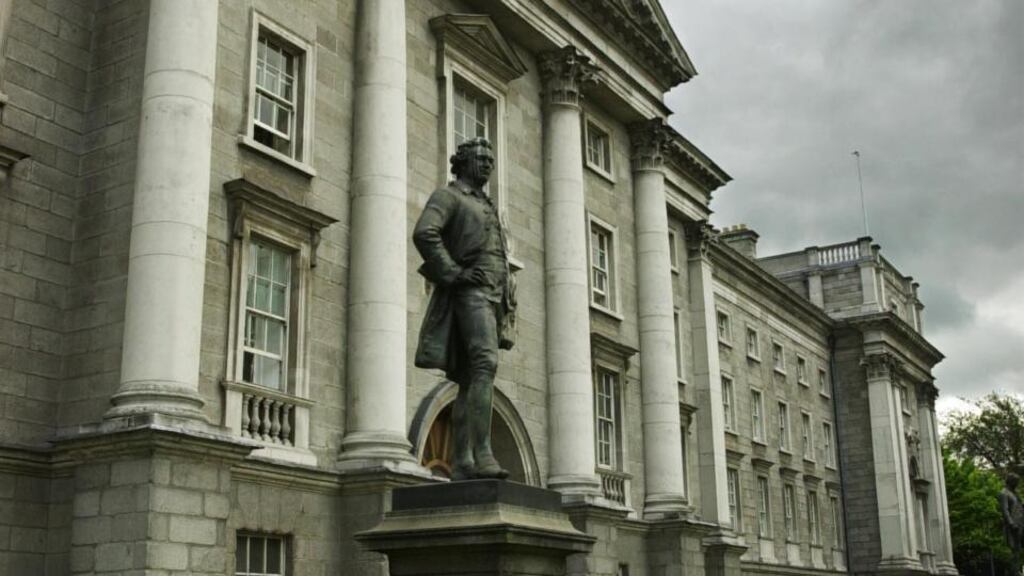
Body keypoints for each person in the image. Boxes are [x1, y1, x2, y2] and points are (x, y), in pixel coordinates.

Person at [413, 137, 515, 481]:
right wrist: (453, 272)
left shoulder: (486, 203)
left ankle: (462, 460)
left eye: (490, 158)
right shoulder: (449, 196)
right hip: (470, 293)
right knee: (484, 363)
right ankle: (482, 453)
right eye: (480, 157)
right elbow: (425, 233)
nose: (488, 163)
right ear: (462, 161)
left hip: (494, 296)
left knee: (470, 379)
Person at [999, 473, 1024, 575]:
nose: (1017, 484)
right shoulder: (1003, 493)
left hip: (1021, 524)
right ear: (1010, 481)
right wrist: (1011, 523)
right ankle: (1014, 571)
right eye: (1016, 482)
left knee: (1017, 550)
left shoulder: (1015, 494)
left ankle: (1017, 570)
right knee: (1014, 550)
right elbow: (1005, 510)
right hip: (1013, 526)